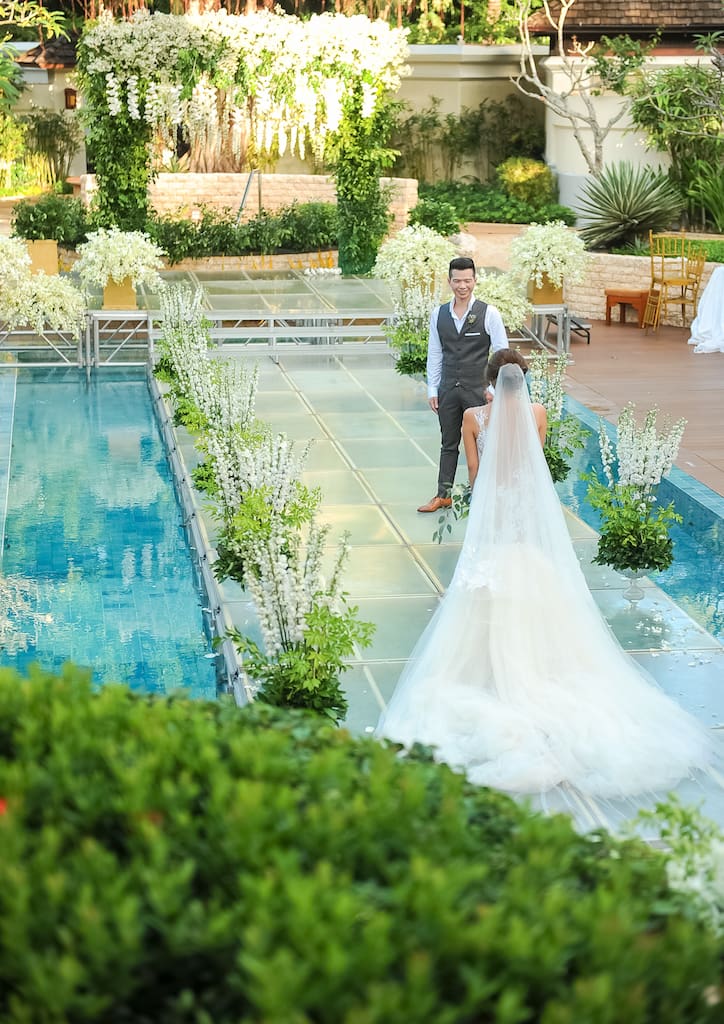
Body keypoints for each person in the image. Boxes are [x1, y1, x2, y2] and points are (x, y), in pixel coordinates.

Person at [377, 363, 714, 798]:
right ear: (522, 380)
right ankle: (537, 661)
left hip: (495, 505)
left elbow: (475, 473)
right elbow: (534, 466)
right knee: (531, 576)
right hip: (524, 504)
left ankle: (492, 666)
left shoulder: (474, 418)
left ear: (489, 381)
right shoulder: (537, 413)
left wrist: (484, 505)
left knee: (488, 581)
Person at [417, 256, 508, 514]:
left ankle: (485, 495)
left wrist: (493, 390)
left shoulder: (489, 313)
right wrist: (433, 388)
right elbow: (435, 353)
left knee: (483, 444)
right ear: (449, 282)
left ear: (475, 281)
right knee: (448, 443)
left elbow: (502, 354)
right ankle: (443, 495)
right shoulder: (439, 314)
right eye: (457, 281)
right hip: (448, 389)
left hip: (478, 391)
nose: (462, 286)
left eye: (467, 280)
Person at [462, 348, 546, 487]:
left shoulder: (472, 416)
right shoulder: (538, 412)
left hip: (492, 489)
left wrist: (476, 494)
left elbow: (472, 466)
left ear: (490, 379)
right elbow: (536, 459)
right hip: (526, 491)